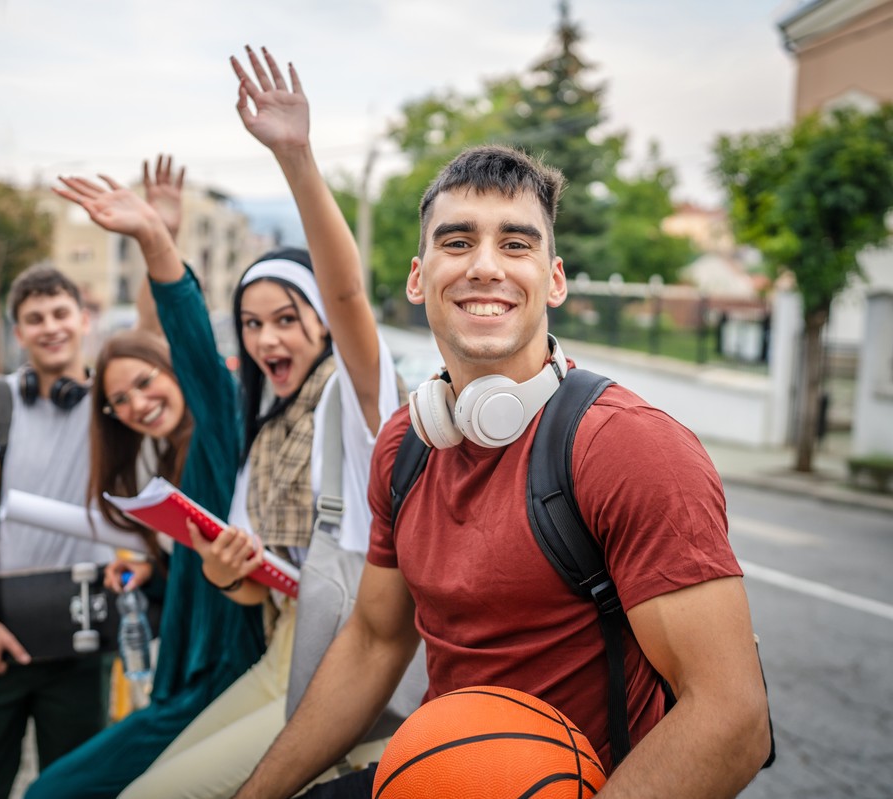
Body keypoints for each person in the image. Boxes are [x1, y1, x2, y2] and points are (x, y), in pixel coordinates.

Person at [233, 145, 773, 799]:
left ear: (554, 280)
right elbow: (376, 641)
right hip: (434, 770)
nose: (485, 266)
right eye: (457, 241)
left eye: (516, 244)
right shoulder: (404, 444)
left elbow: (733, 718)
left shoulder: (630, 447)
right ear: (416, 276)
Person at [112, 46, 405, 799]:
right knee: (148, 781)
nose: (268, 338)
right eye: (250, 323)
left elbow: (350, 303)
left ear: (318, 320)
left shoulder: (356, 396)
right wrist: (223, 570)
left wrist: (296, 158)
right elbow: (255, 586)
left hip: (346, 664)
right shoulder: (265, 424)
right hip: (281, 649)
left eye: (286, 318)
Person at [25, 162, 269, 799]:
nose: (135, 402)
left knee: (51, 791)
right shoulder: (170, 465)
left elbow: (178, 332)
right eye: (119, 401)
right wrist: (150, 570)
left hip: (219, 682)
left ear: (174, 373)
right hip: (177, 680)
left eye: (144, 382)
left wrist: (156, 241)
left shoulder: (221, 433)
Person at [0, 264, 115, 799]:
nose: (50, 326)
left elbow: (153, 335)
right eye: (35, 318)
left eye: (60, 313)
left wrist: (157, 235)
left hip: (83, 630)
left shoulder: (114, 401)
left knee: (75, 788)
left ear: (83, 320)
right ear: (18, 333)